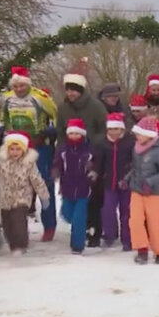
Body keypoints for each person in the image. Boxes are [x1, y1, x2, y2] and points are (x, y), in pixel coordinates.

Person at [0, 66, 58, 241]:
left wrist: (47, 133)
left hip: (40, 147)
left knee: (43, 184)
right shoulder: (7, 99)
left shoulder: (40, 98)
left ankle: (49, 225)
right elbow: (2, 119)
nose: (19, 89)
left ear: (28, 84)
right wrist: (6, 136)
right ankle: (18, 228)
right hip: (17, 148)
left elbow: (56, 117)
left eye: (22, 86)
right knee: (16, 186)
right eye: (15, 86)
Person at [56, 58, 108, 247]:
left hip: (92, 154)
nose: (70, 93)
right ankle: (79, 225)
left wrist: (95, 146)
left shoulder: (95, 106)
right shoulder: (63, 108)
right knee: (72, 195)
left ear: (80, 90)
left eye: (73, 90)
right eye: (67, 89)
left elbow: (105, 128)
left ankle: (93, 230)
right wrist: (61, 151)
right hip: (70, 155)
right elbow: (60, 131)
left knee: (92, 196)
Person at [0, 131, 50, 256]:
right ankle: (12, 242)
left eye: (18, 149)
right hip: (5, 198)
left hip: (22, 197)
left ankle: (20, 245)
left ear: (24, 150)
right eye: (12, 149)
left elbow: (37, 180)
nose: (14, 152)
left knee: (19, 222)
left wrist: (44, 196)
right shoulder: (1, 160)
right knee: (7, 225)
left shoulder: (28, 163)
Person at [128, 116, 159, 265]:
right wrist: (126, 179)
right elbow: (135, 168)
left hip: (154, 192)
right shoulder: (136, 148)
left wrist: (150, 182)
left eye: (139, 134)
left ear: (149, 134)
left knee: (155, 222)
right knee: (135, 220)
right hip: (136, 189)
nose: (137, 137)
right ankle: (142, 249)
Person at [52, 119, 96, 254]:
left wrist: (93, 170)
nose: (74, 136)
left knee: (79, 217)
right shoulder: (63, 149)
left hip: (83, 187)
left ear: (82, 135)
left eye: (77, 134)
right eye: (71, 134)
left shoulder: (88, 150)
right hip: (67, 187)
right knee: (67, 213)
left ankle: (78, 244)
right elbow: (57, 162)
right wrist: (56, 171)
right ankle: (77, 225)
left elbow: (95, 162)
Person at [94, 113, 135, 251]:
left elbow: (134, 161)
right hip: (109, 183)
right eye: (110, 129)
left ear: (122, 130)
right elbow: (98, 161)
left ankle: (128, 239)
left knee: (127, 212)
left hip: (126, 183)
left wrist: (129, 175)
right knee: (108, 210)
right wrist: (95, 172)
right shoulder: (103, 143)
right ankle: (110, 235)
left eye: (116, 129)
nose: (113, 132)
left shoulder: (130, 142)